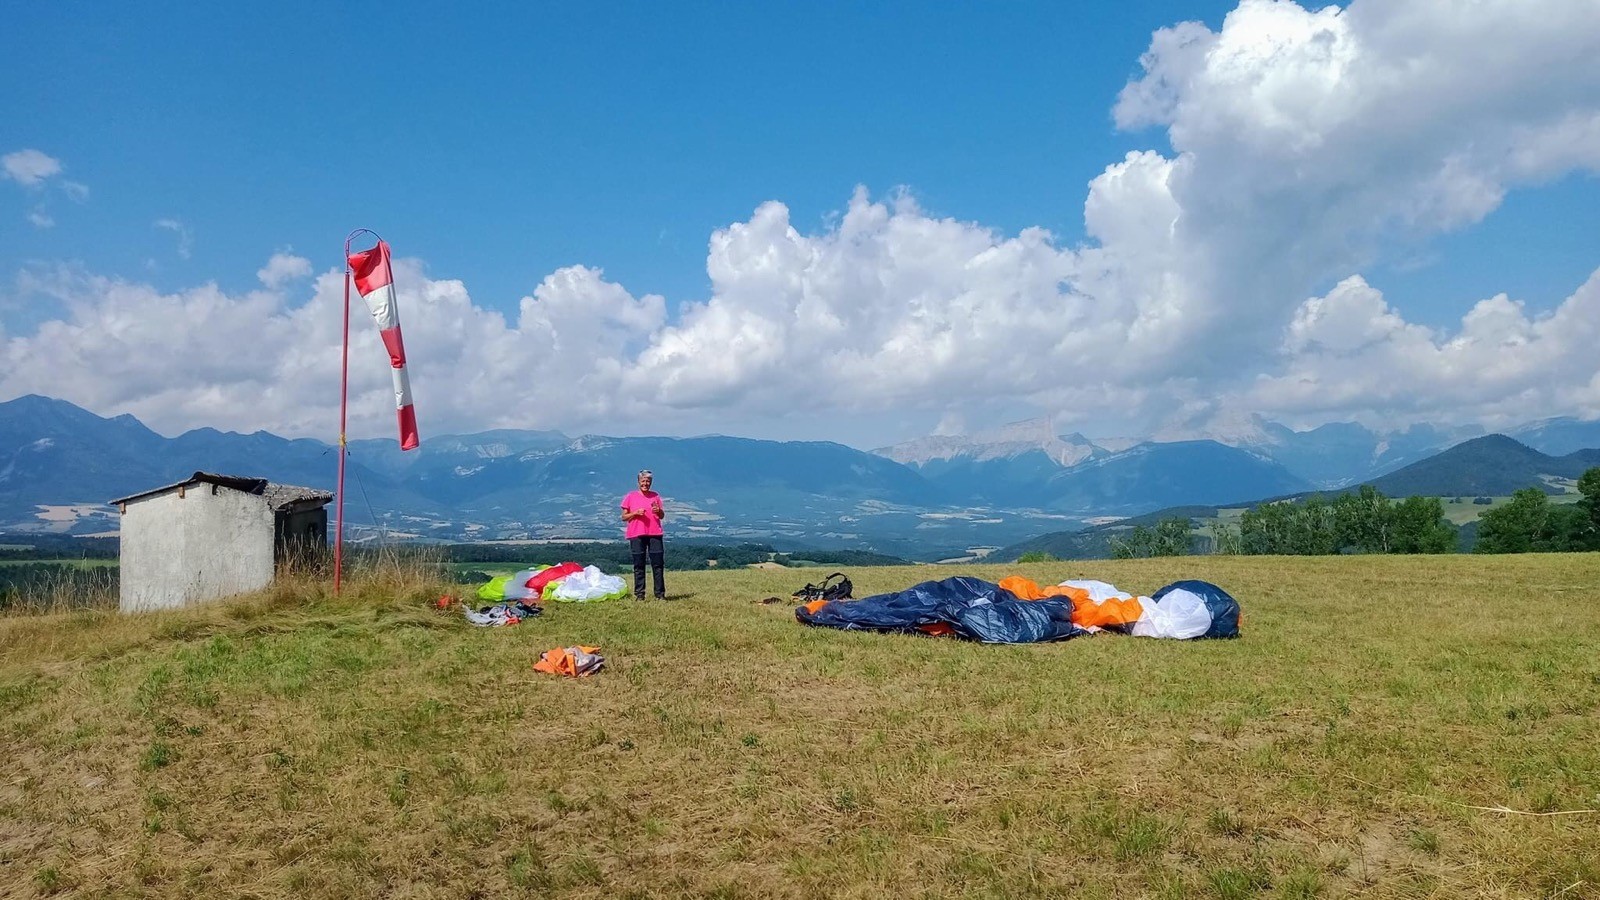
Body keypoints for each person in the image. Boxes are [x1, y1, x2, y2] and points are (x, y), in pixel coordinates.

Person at [620, 469, 666, 600]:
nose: (645, 483)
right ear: (638, 482)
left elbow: (662, 515)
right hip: (636, 534)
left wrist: (659, 511)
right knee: (639, 565)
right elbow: (624, 517)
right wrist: (635, 513)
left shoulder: (655, 496)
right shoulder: (630, 496)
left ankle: (660, 594)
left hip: (655, 533)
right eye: (643, 481)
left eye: (648, 481)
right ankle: (640, 594)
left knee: (658, 564)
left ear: (651, 482)